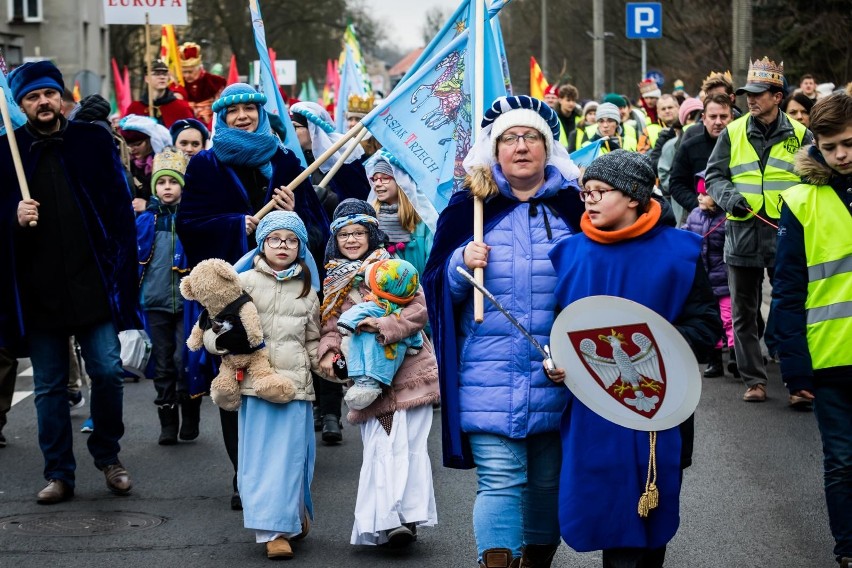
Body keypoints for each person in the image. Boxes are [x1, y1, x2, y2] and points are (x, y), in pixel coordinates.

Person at [422, 95, 585, 568]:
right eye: (509, 138)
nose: (520, 146)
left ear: (546, 146)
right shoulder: (468, 209)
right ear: (494, 149)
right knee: (499, 478)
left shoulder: (575, 209)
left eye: (530, 136)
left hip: (559, 371)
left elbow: (597, 288)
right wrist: (458, 266)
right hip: (486, 372)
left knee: (547, 482)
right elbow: (435, 288)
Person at [549, 150, 720, 568]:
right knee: (608, 513)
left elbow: (705, 324)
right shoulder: (570, 253)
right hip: (593, 410)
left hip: (656, 408)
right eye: (584, 191)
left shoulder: (679, 252)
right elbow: (559, 328)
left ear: (633, 196)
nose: (588, 199)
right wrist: (553, 360)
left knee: (647, 522)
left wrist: (662, 346)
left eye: (599, 191)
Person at [176, 82, 329, 510]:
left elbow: (317, 231)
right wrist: (234, 224)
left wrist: (294, 212)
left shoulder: (284, 160)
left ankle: (277, 478)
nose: (242, 116)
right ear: (221, 118)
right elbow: (189, 224)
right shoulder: (206, 164)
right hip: (230, 296)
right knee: (235, 381)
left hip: (280, 294)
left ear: (260, 113)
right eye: (233, 111)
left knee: (277, 383)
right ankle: (243, 474)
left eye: (249, 108)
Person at [0, 60, 139, 503]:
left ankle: (108, 455)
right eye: (32, 97)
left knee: (109, 372)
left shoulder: (91, 140)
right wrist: (12, 218)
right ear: (21, 105)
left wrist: (123, 276)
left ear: (61, 97)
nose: (43, 102)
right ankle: (59, 472)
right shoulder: (7, 151)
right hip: (38, 291)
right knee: (49, 388)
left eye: (48, 94)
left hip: (92, 285)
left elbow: (118, 209)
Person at [317, 199, 439, 548]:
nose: (352, 239)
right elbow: (329, 327)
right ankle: (386, 519)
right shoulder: (334, 280)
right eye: (344, 234)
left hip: (409, 370)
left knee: (410, 444)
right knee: (381, 446)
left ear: (371, 233)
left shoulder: (393, 267)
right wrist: (329, 352)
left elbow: (419, 310)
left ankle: (406, 519)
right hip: (366, 376)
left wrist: (383, 323)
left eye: (358, 232)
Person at [774, 92, 852, 567]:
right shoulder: (801, 200)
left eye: (848, 143)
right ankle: (848, 548)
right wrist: (794, 362)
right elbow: (787, 288)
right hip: (830, 358)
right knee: (843, 462)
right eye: (829, 146)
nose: (841, 154)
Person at [705, 57, 813, 402]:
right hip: (741, 234)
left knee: (793, 308)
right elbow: (714, 176)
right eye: (747, 93)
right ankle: (754, 380)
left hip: (787, 234)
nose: (750, 99)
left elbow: (814, 180)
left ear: (777, 96)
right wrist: (728, 197)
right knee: (743, 313)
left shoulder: (801, 134)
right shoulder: (733, 131)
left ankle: (799, 383)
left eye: (758, 93)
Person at [235, 211, 321, 560]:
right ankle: (273, 532)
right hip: (255, 386)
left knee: (292, 460)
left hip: (296, 388)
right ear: (262, 243)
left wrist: (335, 366)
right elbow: (214, 327)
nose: (282, 245)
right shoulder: (243, 283)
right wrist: (221, 342)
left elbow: (313, 342)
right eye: (275, 239)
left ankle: (290, 515)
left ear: (300, 247)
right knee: (258, 461)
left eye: (290, 240)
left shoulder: (309, 292)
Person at [136, 147, 199, 445]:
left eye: (173, 182)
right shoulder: (145, 221)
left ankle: (191, 410)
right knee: (162, 363)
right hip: (155, 302)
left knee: (183, 357)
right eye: (161, 183)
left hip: (187, 304)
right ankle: (167, 418)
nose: (167, 188)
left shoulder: (192, 219)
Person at [338, 258, 424, 410]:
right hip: (394, 357)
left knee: (369, 368)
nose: (351, 240)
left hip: (406, 375)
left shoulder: (373, 304)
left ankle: (366, 386)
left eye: (359, 233)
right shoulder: (399, 305)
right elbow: (415, 336)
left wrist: (377, 325)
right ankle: (368, 387)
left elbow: (419, 314)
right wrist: (415, 344)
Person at [682, 172, 733, 378]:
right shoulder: (694, 215)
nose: (700, 197)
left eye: (705, 193)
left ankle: (736, 357)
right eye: (699, 194)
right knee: (712, 321)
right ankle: (715, 361)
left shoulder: (727, 219)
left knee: (729, 320)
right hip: (705, 283)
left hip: (724, 281)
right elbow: (684, 234)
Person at [367, 150, 438, 278]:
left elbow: (433, 261)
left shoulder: (424, 219)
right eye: (375, 179)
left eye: (385, 178)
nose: (377, 184)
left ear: (401, 181)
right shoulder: (371, 219)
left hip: (419, 290)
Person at [669, 93, 735, 219]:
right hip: (700, 220)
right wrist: (698, 206)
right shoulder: (689, 147)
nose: (718, 122)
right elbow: (676, 183)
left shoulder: (742, 146)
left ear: (732, 117)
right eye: (713, 116)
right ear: (704, 119)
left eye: (723, 116)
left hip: (734, 219)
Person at [118, 114, 173, 213]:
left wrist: (148, 205)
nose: (132, 149)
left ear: (150, 141)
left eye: (137, 144)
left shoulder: (168, 163)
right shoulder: (126, 165)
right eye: (128, 145)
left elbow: (175, 198)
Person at [124, 60, 194, 128]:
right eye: (156, 74)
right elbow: (125, 133)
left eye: (165, 74)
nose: (162, 77)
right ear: (147, 78)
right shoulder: (135, 108)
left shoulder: (181, 107)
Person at [178, 42, 226, 128]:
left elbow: (220, 108)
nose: (187, 75)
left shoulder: (214, 82)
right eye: (184, 72)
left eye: (190, 72)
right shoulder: (179, 84)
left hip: (210, 126)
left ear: (199, 68)